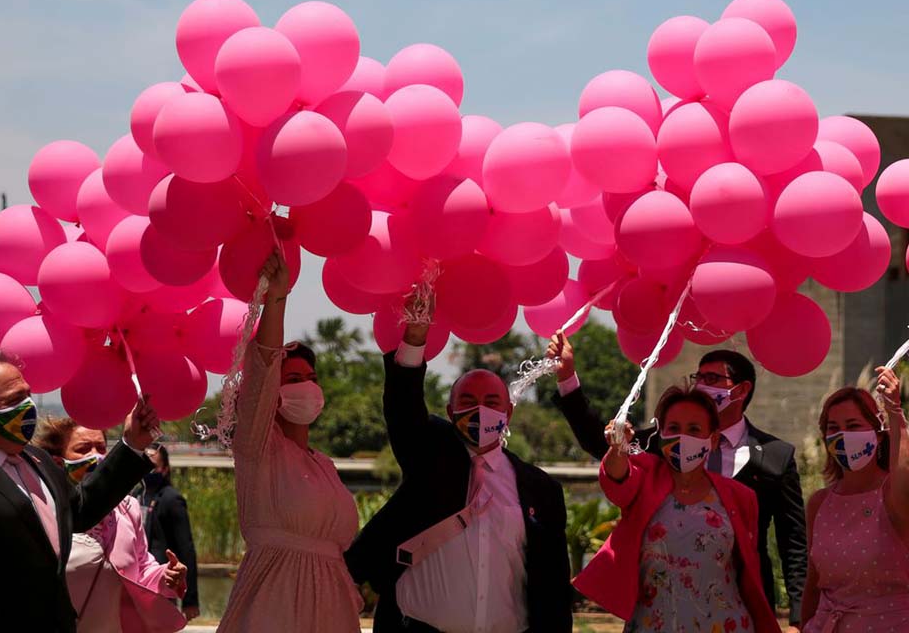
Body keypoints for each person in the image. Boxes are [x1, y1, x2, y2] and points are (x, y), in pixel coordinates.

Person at [345, 296, 572, 632]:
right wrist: (415, 337)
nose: (480, 410)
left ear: (508, 413)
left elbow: (553, 587)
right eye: (468, 401)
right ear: (451, 413)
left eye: (491, 401)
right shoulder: (430, 455)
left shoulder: (541, 489)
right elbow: (403, 408)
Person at [550, 334, 807, 630]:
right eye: (699, 377)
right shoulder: (660, 445)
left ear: (741, 389)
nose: (702, 384)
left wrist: (798, 618)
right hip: (658, 611)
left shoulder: (774, 457)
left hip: (731, 611)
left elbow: (793, 542)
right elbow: (604, 448)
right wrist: (567, 379)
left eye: (712, 378)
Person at [0, 350, 158, 632]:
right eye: (14, 400)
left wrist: (131, 445)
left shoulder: (36, 460)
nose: (27, 406)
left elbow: (80, 510)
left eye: (27, 395)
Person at [217, 248, 362, 633]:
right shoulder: (256, 447)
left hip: (332, 608)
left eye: (311, 378)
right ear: (273, 393)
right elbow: (263, 363)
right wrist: (276, 299)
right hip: (275, 603)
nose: (307, 386)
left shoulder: (324, 464)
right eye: (293, 379)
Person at [575, 385, 781, 633]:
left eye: (694, 429)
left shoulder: (741, 497)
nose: (683, 437)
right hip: (653, 624)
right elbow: (616, 478)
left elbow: (748, 568)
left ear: (713, 439)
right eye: (673, 428)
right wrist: (618, 447)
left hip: (726, 624)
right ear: (661, 434)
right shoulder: (645, 477)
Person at [33, 417, 188, 633]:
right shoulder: (44, 509)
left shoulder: (128, 508)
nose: (95, 455)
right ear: (58, 461)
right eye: (83, 449)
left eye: (101, 448)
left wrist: (165, 576)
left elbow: (142, 567)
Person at [801, 367, 909, 631]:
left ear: (878, 433)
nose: (843, 435)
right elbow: (813, 583)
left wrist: (894, 410)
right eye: (833, 428)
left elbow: (904, 474)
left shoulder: (892, 495)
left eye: (853, 426)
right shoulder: (819, 503)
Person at [135, 443, 200, 622]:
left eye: (153, 467)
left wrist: (190, 599)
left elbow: (186, 549)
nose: (148, 471)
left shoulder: (172, 499)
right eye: (144, 465)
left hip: (162, 583)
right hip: (138, 583)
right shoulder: (136, 496)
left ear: (164, 469)